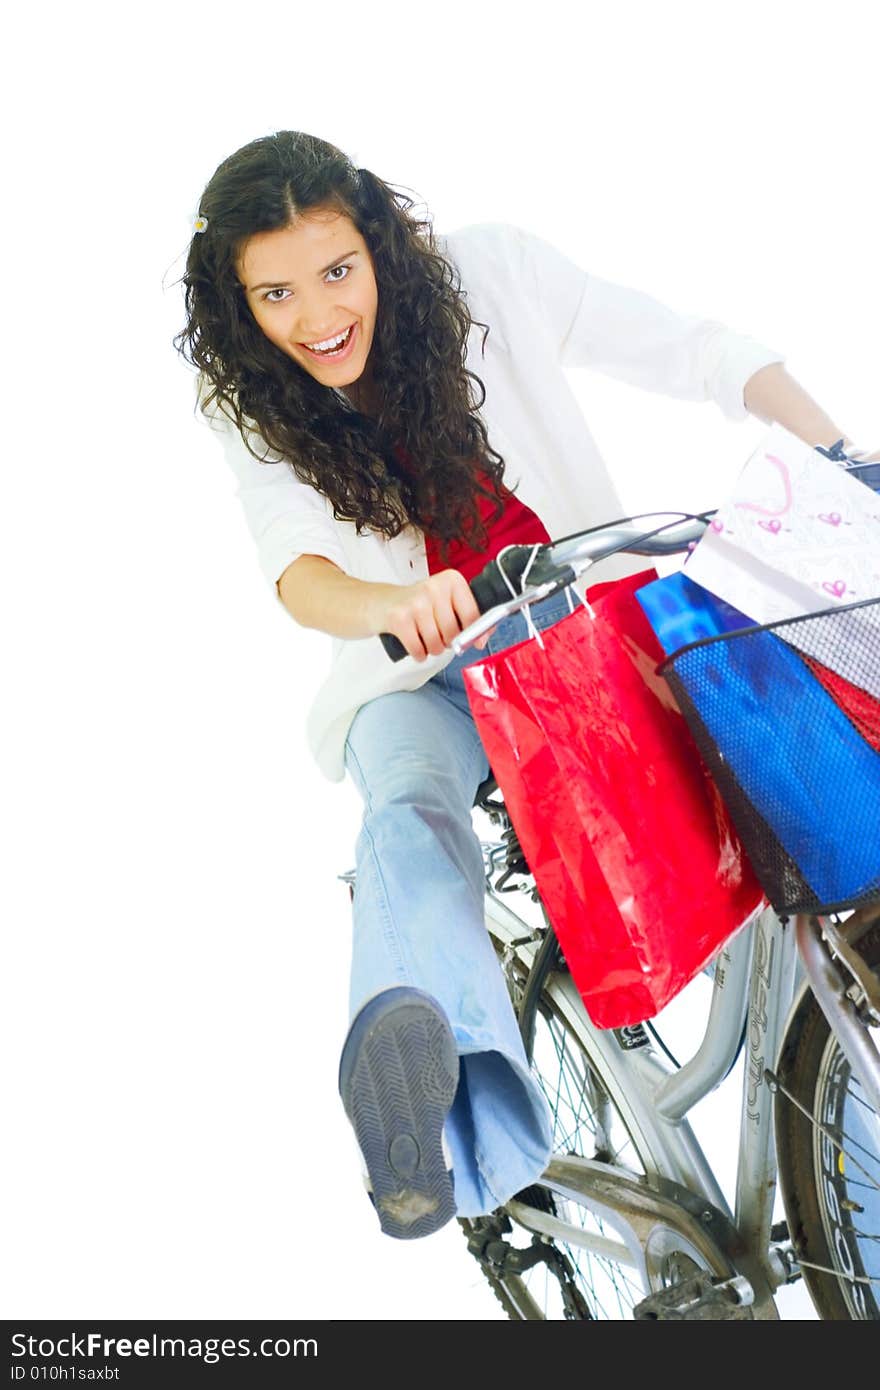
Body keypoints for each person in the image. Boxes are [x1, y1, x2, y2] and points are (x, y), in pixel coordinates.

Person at [175, 129, 875, 1241]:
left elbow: (687, 347)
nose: (314, 317)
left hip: (585, 635)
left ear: (379, 243)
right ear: (236, 300)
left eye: (336, 271)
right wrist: (390, 607)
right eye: (274, 293)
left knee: (779, 759)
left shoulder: (487, 273)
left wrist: (840, 450)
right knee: (407, 806)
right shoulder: (249, 404)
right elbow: (296, 567)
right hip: (423, 675)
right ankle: (431, 1081)